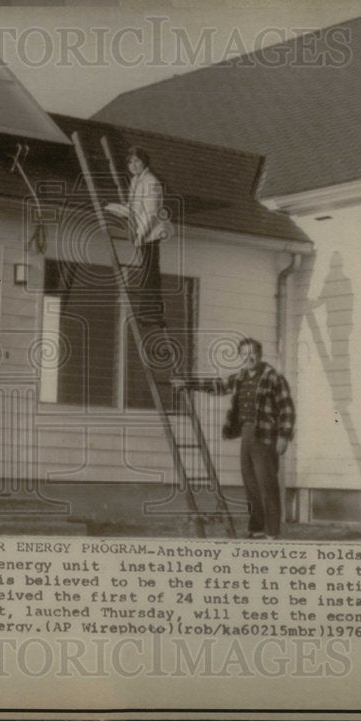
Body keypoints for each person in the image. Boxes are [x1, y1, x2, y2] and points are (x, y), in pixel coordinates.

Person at [175, 338, 295, 538]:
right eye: (245, 354)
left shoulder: (274, 377)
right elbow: (218, 385)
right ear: (240, 357)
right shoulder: (240, 377)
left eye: (253, 353)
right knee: (251, 485)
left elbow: (287, 409)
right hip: (247, 436)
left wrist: (284, 436)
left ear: (260, 354)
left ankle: (272, 532)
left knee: (267, 485)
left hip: (266, 438)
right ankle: (256, 528)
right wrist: (188, 384)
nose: (249, 357)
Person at [108, 147, 172, 328]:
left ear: (144, 162)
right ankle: (149, 312)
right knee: (147, 272)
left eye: (137, 161)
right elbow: (134, 208)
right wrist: (115, 208)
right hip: (142, 233)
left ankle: (151, 314)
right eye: (130, 162)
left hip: (150, 233)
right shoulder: (136, 181)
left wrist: (141, 235)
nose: (134, 165)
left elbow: (150, 213)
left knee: (149, 274)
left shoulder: (151, 181)